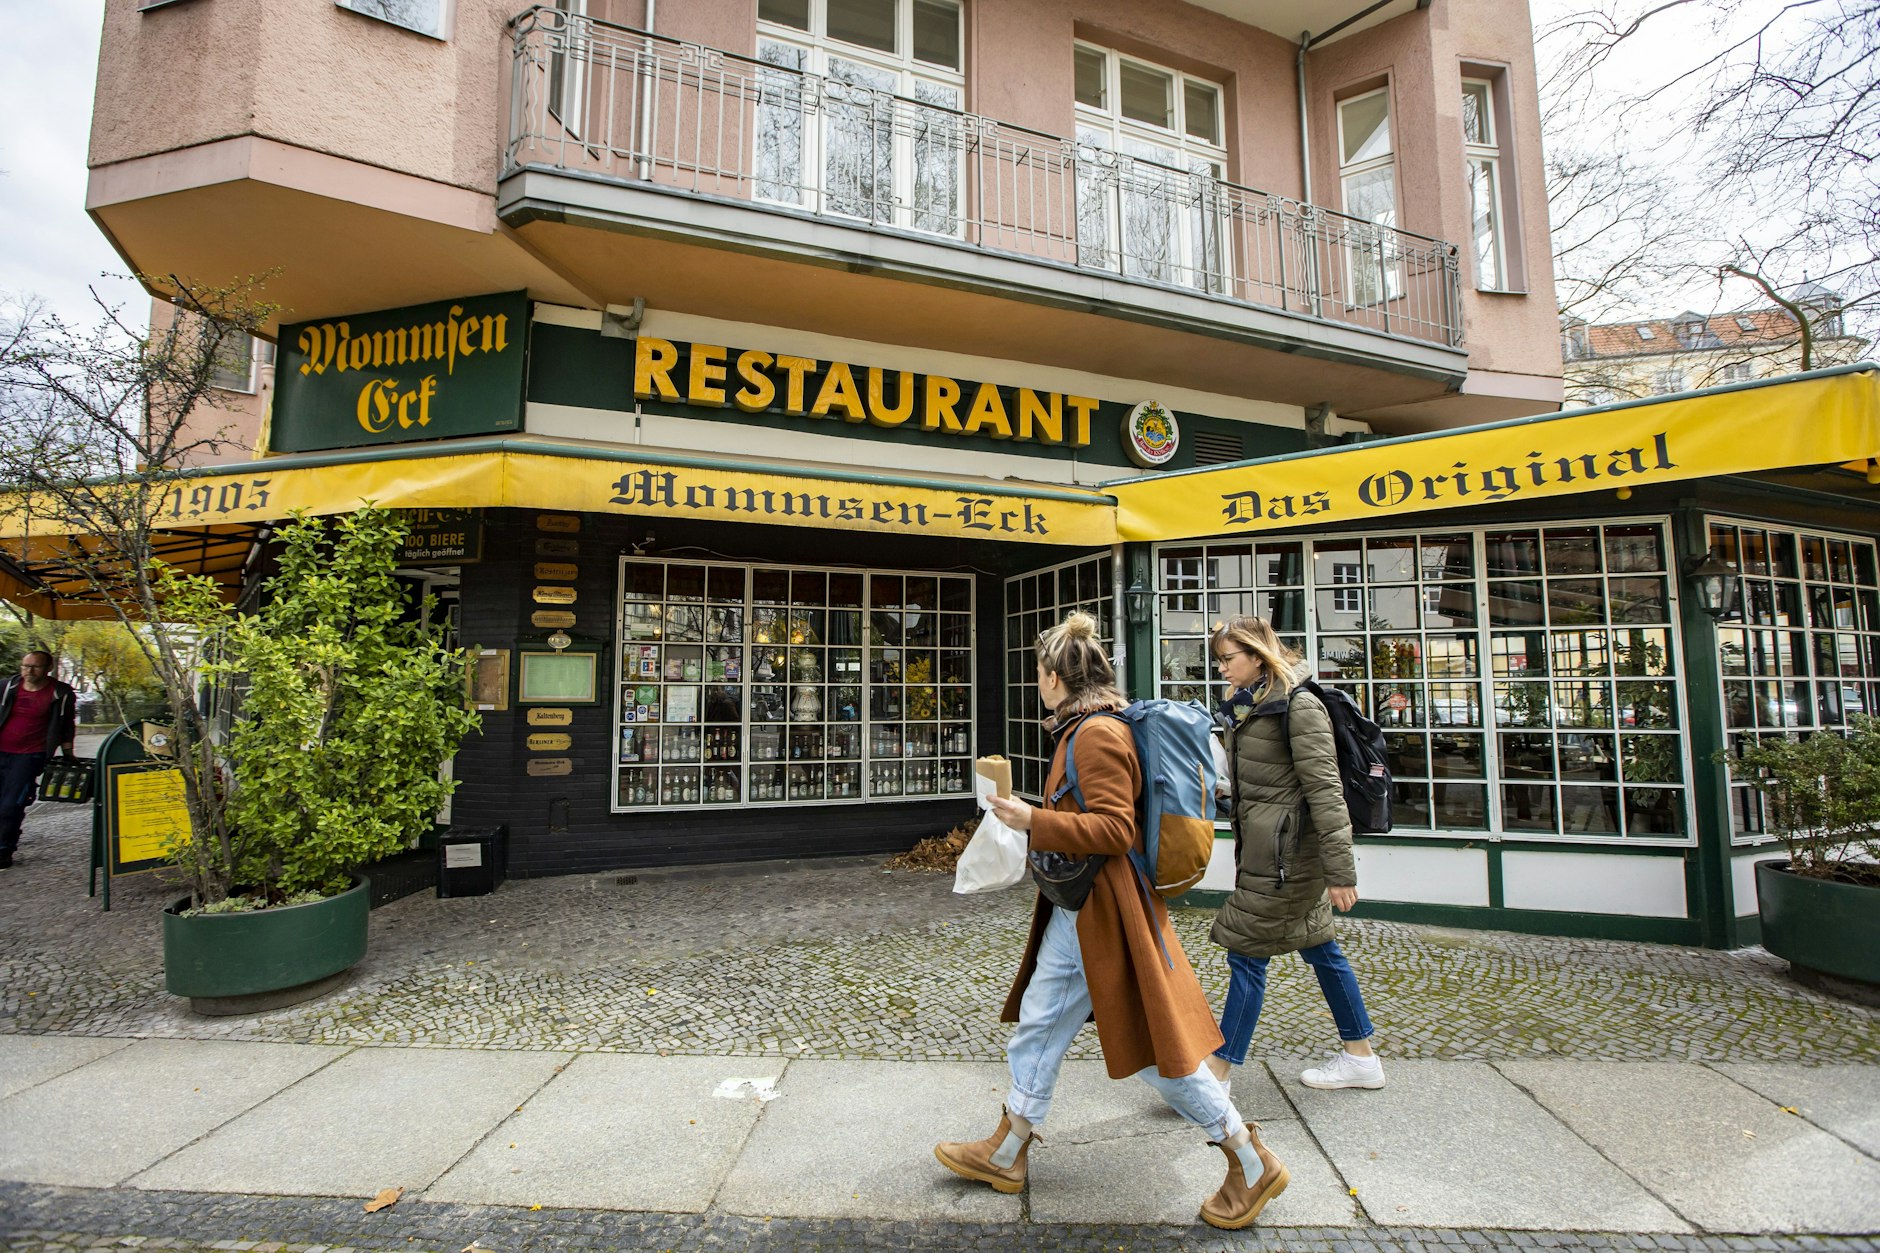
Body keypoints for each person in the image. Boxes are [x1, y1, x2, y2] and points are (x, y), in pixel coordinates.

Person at [934, 611, 1289, 1230]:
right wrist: (1038, 811)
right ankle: (1009, 1149)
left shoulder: (1096, 734)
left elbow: (1114, 829)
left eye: (1038, 673)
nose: (1036, 682)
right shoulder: (1088, 727)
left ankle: (1249, 1159)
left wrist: (1030, 820)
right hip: (1087, 910)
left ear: (1052, 677)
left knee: (1159, 1053)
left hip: (1106, 911)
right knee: (1041, 1022)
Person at [1207, 616, 1385, 1092]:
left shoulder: (1298, 706)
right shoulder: (1249, 705)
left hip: (1289, 860)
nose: (1221, 669)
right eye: (1218, 660)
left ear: (1258, 655)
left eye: (1228, 659)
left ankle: (1217, 1074)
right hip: (1270, 852)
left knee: (1247, 952)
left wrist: (1340, 872)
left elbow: (1326, 792)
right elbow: (1267, 782)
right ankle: (1361, 1057)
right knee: (1322, 950)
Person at [0, 651, 78, 870]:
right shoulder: (7, 687)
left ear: (48, 668)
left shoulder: (60, 693)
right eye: (25, 666)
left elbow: (67, 724)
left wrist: (68, 751)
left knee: (10, 805)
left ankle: (4, 849)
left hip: (29, 755)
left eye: (35, 667)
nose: (28, 671)